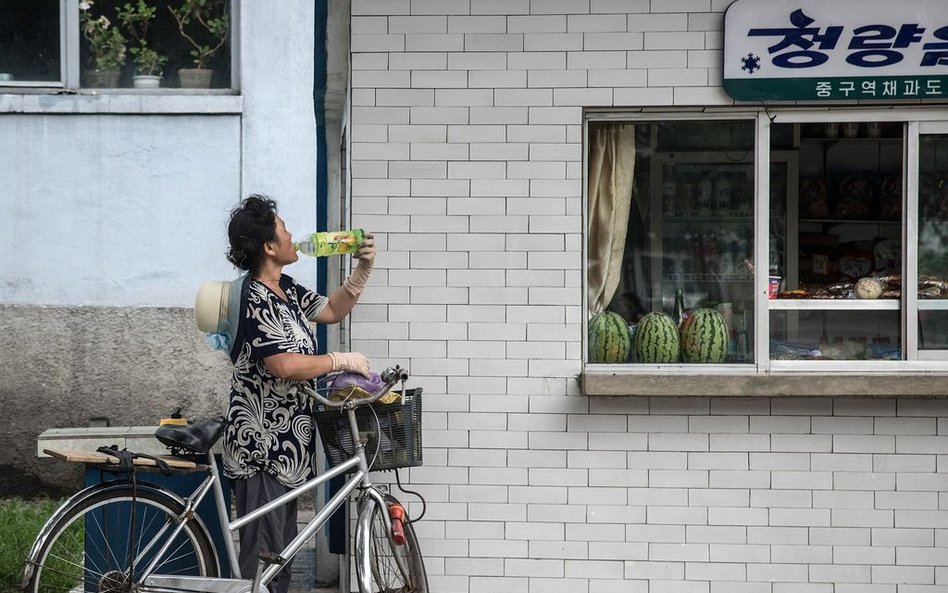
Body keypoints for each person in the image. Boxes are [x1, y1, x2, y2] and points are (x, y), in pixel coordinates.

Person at [221, 194, 374, 592]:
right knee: (264, 566)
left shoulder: (284, 288)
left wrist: (362, 270)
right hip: (263, 446)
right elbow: (283, 364)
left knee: (280, 558)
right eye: (284, 230)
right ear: (270, 247)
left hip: (290, 443)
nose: (293, 237)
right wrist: (338, 360)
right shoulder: (256, 296)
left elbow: (331, 310)